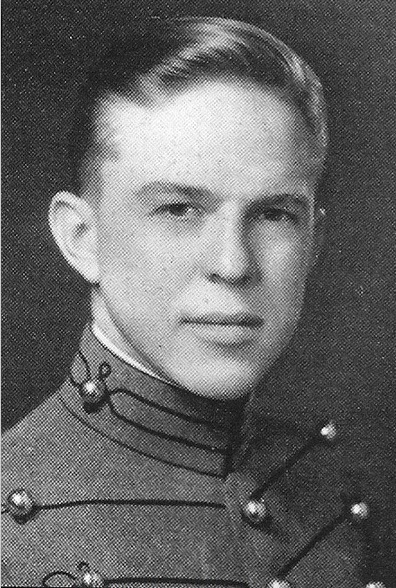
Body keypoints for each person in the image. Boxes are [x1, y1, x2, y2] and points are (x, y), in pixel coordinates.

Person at [1, 16, 387, 588]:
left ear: (314, 242)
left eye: (273, 214)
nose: (233, 264)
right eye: (179, 210)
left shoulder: (341, 492)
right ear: (83, 240)